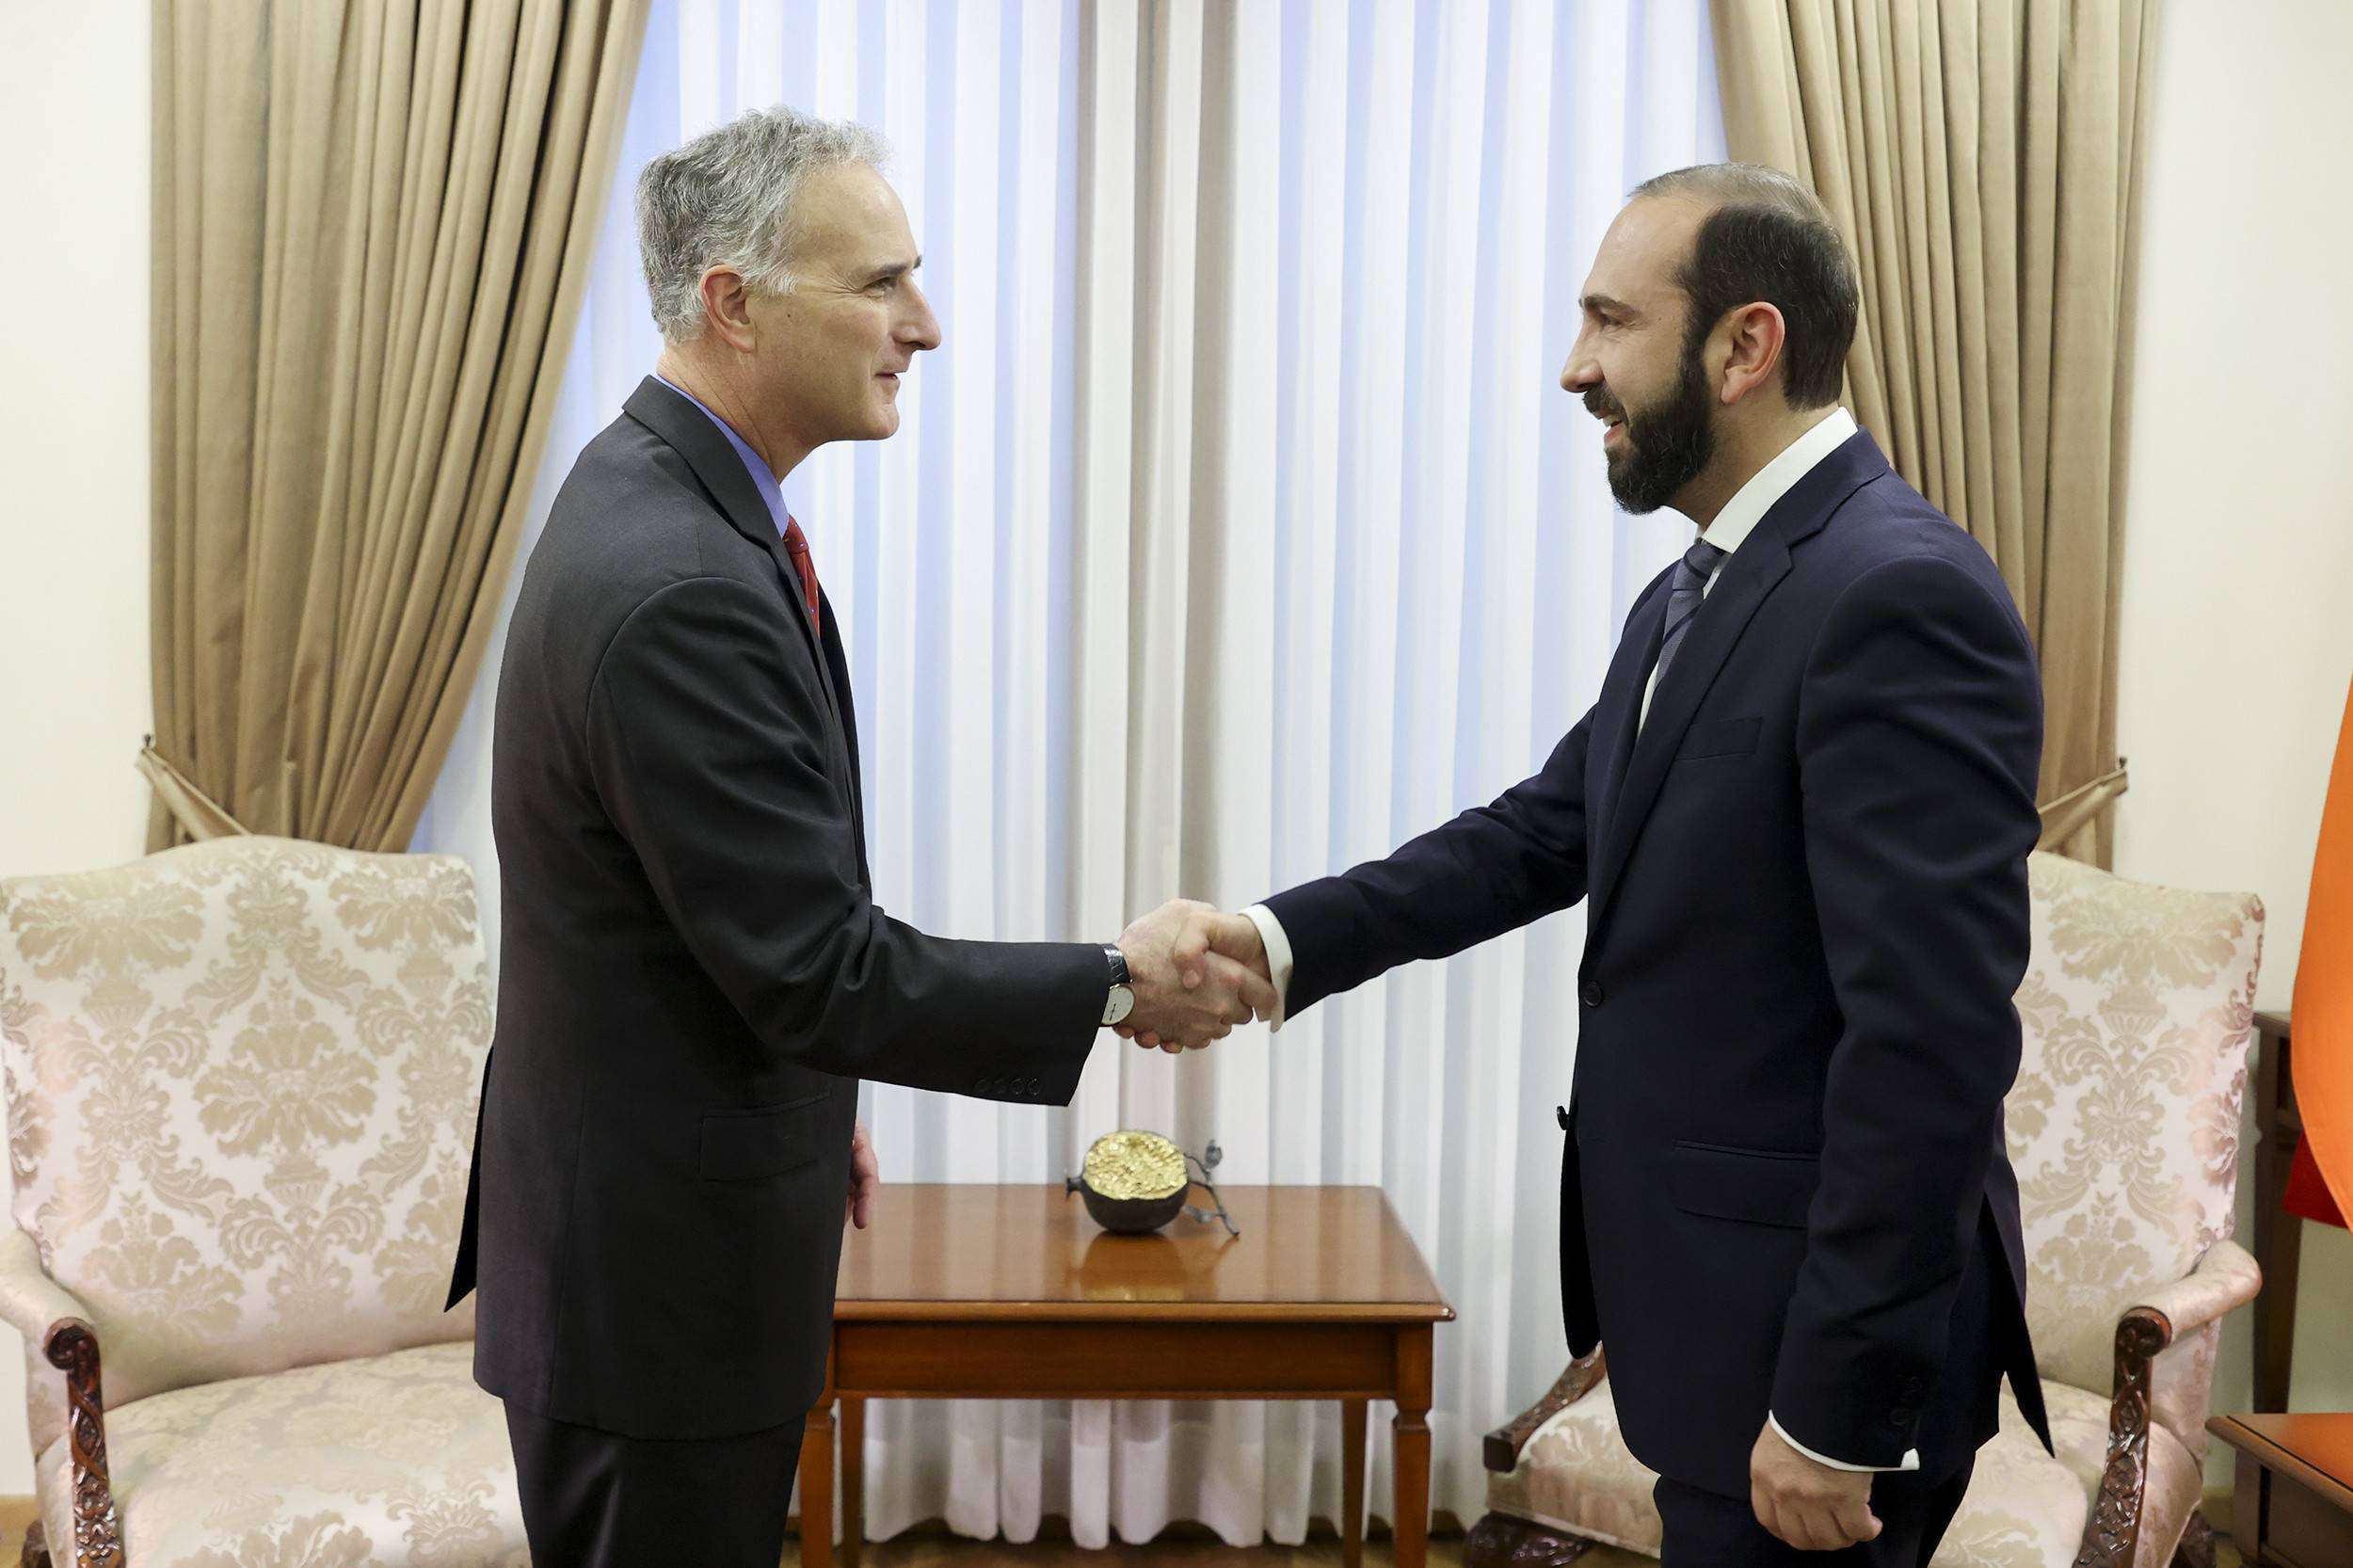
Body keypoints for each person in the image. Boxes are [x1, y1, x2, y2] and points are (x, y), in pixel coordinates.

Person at [1140, 164, 2051, 1565]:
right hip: (1716, 1331)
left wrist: (1834, 1408)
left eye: (1610, 322)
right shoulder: (1708, 585)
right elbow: (1539, 833)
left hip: (1806, 1376)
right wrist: (1271, 943)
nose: (1577, 371)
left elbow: (1930, 1043)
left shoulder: (1895, 594)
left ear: (1746, 346)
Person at [441, 104, 1273, 1568]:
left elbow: (724, 923)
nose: (926, 324)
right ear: (733, 304)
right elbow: (819, 961)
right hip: (654, 1297)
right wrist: (1113, 974)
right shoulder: (680, 578)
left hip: (663, 1230)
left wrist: (808, 1095)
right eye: (880, 283)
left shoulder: (668, 499)